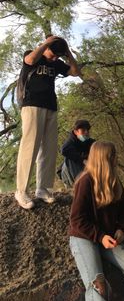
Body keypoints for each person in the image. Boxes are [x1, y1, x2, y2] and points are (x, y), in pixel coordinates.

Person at [69, 140, 124, 301]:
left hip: (108, 239)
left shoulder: (114, 180)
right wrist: (100, 236)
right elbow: (77, 220)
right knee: (99, 284)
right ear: (105, 158)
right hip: (84, 238)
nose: (116, 158)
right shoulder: (85, 181)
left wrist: (121, 228)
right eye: (113, 155)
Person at [15, 35, 82, 210]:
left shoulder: (56, 63)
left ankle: (43, 189)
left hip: (51, 107)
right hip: (31, 105)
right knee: (30, 147)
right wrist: (46, 43)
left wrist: (67, 53)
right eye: (52, 54)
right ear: (46, 47)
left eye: (56, 56)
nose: (53, 58)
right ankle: (21, 190)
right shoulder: (33, 55)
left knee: (49, 149)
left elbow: (75, 72)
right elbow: (29, 60)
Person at [60, 119, 95, 186]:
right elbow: (64, 150)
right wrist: (83, 160)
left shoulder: (90, 142)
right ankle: (78, 184)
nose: (86, 132)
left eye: (87, 130)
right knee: (69, 158)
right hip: (69, 174)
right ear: (76, 132)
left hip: (84, 170)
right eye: (83, 130)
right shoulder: (71, 142)